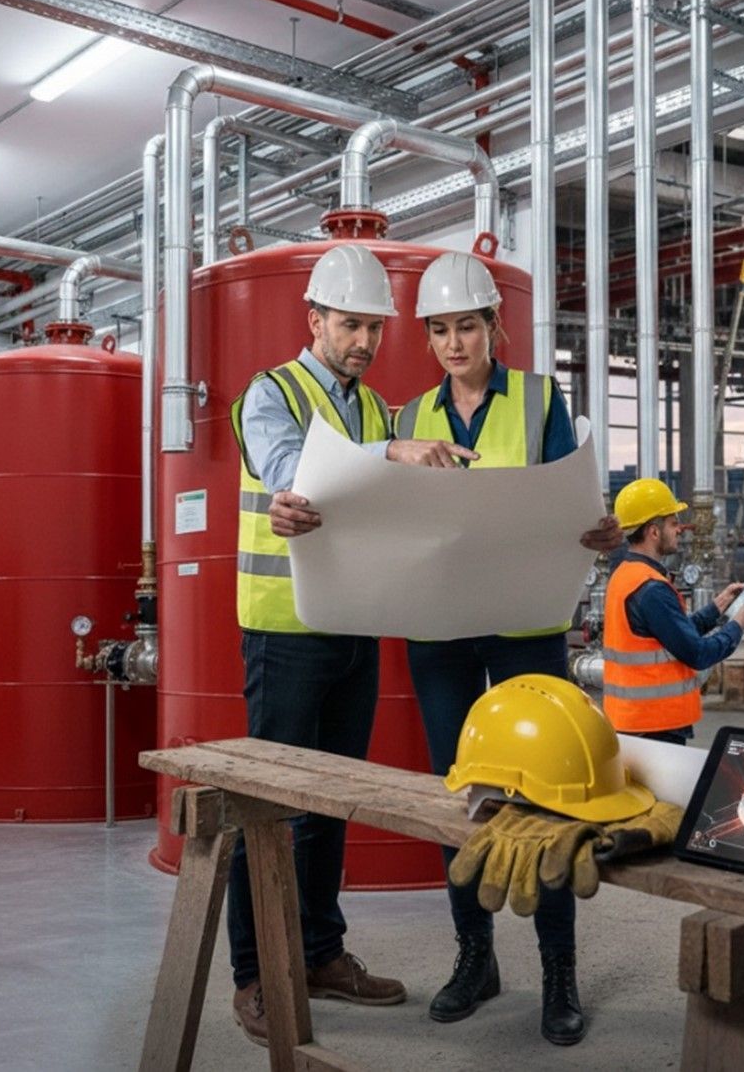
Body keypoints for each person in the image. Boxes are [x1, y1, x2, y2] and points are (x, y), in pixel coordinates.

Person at [226, 244, 475, 1048]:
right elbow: (289, 466)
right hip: (285, 628)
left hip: (354, 628)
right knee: (268, 807)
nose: (365, 340)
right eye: (350, 324)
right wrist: (391, 456)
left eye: (373, 326)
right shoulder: (271, 394)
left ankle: (321, 954)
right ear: (314, 320)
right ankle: (258, 975)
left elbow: (383, 502)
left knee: (329, 805)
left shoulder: (376, 409)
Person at [391, 250, 622, 1048]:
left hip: (525, 621)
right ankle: (475, 959)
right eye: (442, 330)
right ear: (429, 337)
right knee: (465, 795)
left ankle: (558, 969)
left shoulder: (540, 399)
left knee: (545, 794)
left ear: (496, 327)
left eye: (469, 326)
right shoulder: (407, 418)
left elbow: (570, 498)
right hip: (442, 626)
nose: (456, 343)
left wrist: (599, 528)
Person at [603, 478, 744, 743]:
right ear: (653, 531)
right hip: (654, 728)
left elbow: (671, 636)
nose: (680, 529)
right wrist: (738, 624)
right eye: (673, 523)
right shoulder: (651, 588)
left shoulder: (626, 575)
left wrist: (717, 607)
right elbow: (697, 653)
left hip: (634, 723)